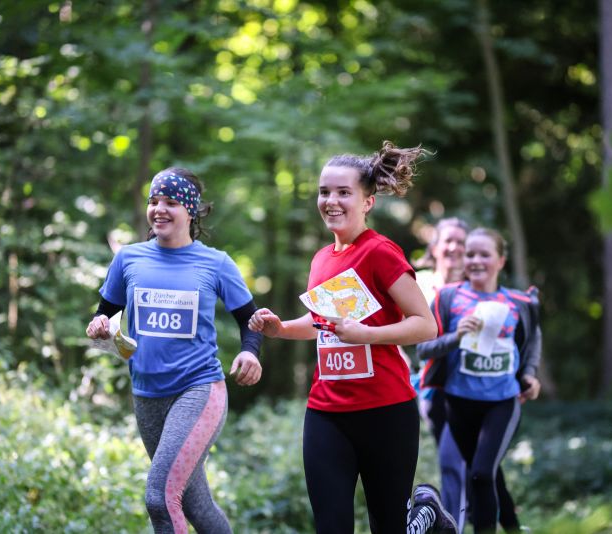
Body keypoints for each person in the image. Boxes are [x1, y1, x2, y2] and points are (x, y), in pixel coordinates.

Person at [248, 141, 457, 534]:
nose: (331, 200)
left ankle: (426, 513)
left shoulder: (380, 253)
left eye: (344, 192)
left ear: (367, 202)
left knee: (388, 527)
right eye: (325, 191)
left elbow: (425, 325)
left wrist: (367, 333)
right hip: (326, 413)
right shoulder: (322, 258)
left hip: (386, 411)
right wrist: (281, 328)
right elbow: (323, 323)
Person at [85, 167, 263, 534]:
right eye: (153, 201)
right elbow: (104, 314)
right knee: (196, 504)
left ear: (191, 211)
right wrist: (99, 325)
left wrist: (250, 352)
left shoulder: (216, 263)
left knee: (159, 496)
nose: (159, 209)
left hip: (199, 389)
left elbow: (250, 320)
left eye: (170, 202)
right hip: (146, 394)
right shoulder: (129, 259)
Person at [416, 228, 541, 534]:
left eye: (485, 254)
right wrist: (455, 337)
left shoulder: (518, 302)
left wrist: (530, 373)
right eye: (470, 254)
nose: (475, 260)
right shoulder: (448, 298)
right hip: (457, 402)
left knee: (481, 474)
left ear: (501, 260)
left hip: (502, 401)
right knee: (484, 473)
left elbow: (533, 337)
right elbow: (423, 349)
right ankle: (512, 526)